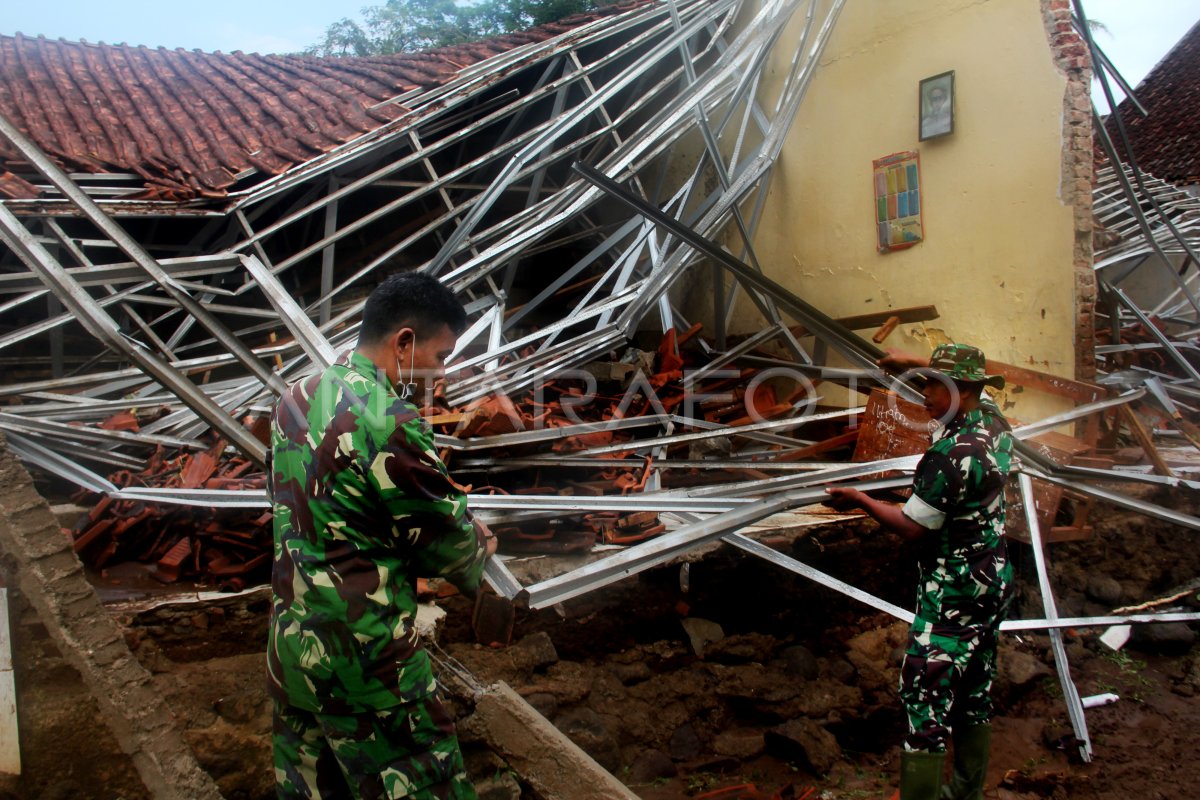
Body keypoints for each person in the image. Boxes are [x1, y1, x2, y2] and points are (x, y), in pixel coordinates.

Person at [267, 272, 496, 800]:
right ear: (405, 341)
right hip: (368, 667)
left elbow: (299, 506)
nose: (437, 374)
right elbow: (444, 540)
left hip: (294, 657)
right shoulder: (387, 417)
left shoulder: (294, 399)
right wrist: (479, 542)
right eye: (439, 357)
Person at [825, 343, 1013, 800]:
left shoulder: (949, 455)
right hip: (993, 581)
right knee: (973, 688)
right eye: (926, 380)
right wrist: (912, 363)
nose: (925, 395)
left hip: (953, 592)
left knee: (924, 698)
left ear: (962, 391)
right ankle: (965, 793)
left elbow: (912, 526)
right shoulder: (995, 427)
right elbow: (973, 391)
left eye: (934, 385)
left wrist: (862, 500)